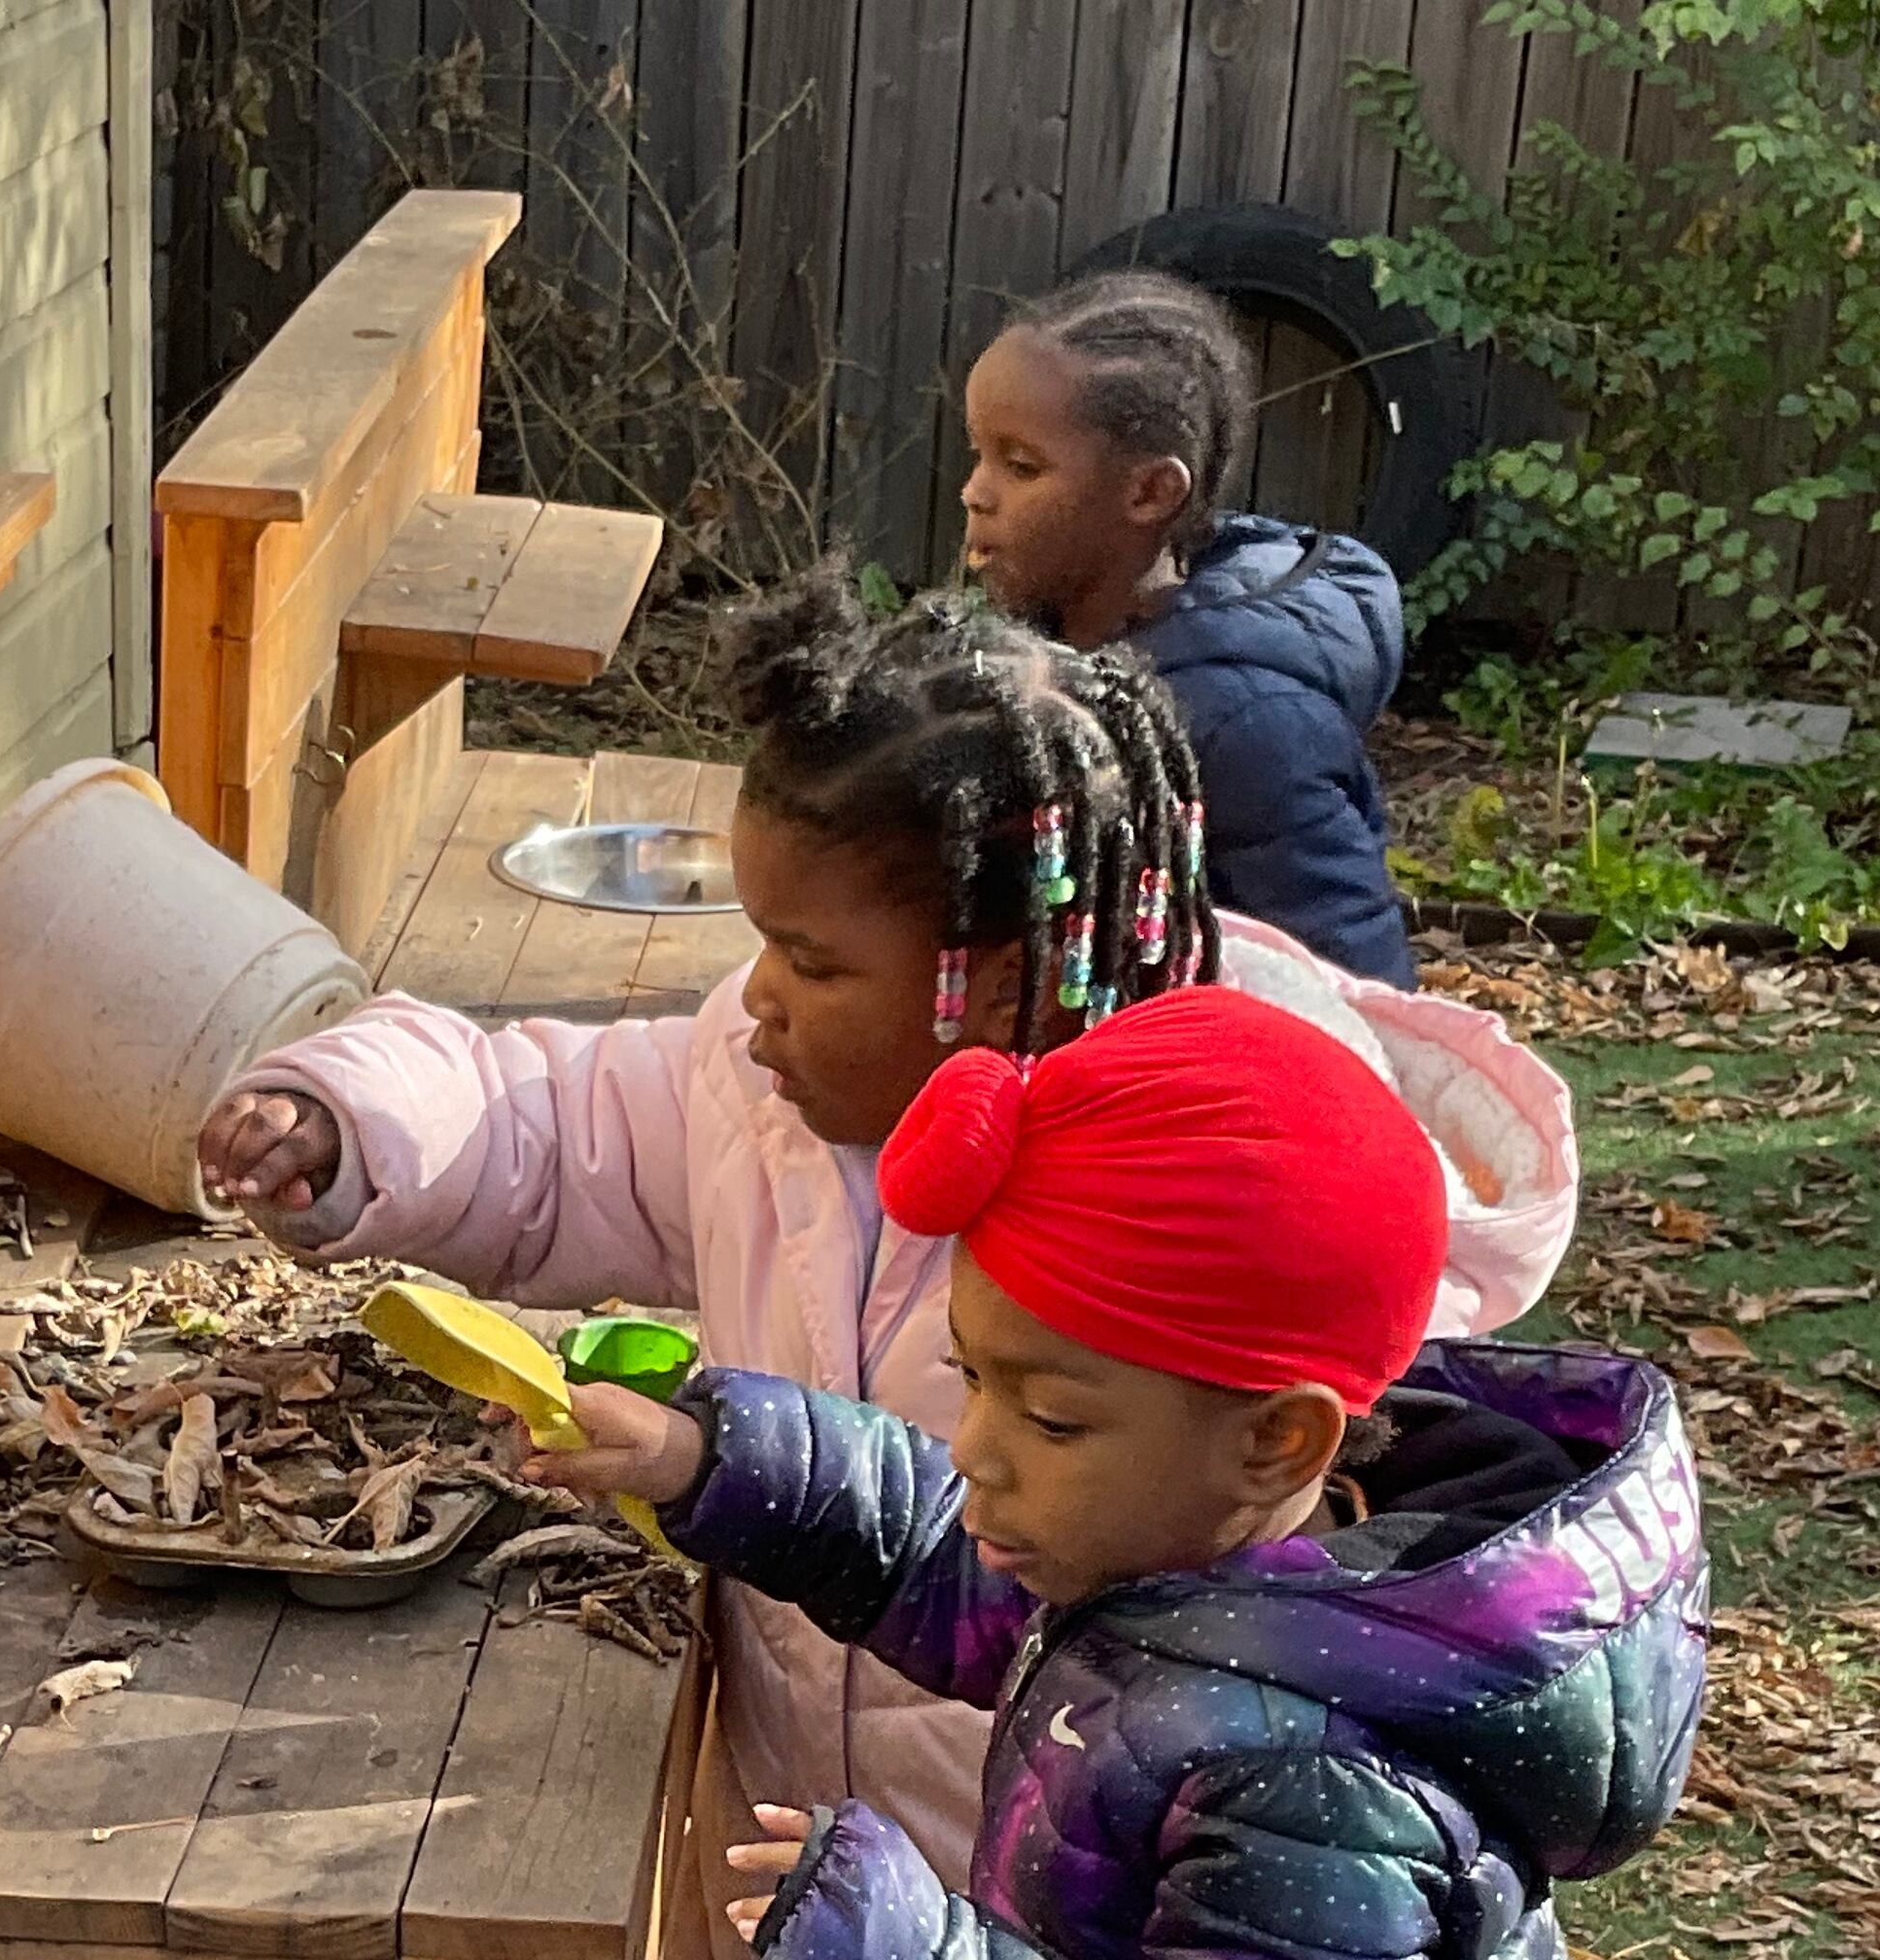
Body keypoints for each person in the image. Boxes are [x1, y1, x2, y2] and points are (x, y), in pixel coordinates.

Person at [196, 581, 1578, 1959]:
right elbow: (555, 1129)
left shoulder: (1233, 1271)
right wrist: (363, 1126)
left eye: (806, 957)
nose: (757, 996)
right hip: (834, 1875)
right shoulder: (770, 1105)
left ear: (983, 980)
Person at [515, 987, 1705, 1960]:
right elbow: (945, 1561)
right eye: (973, 1381)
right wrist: (706, 1455)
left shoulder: (1314, 1785)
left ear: (1277, 1440)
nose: (977, 1447)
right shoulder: (1178, 1544)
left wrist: (917, 1949)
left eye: (1050, 1419)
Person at [960, 269, 1417, 986]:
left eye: (1020, 466)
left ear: (1149, 493)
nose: (975, 492)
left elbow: (1362, 992)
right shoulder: (1053, 642)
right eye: (979, 454)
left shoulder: (1241, 724)